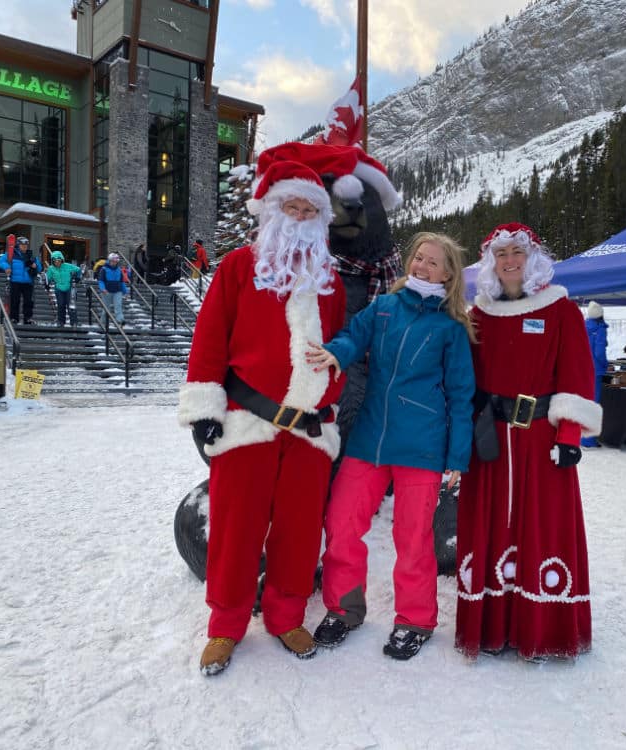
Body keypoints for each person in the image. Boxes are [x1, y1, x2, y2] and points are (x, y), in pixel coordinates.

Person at [177, 156, 346, 675]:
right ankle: (225, 626)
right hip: (245, 421)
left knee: (299, 530)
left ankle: (286, 616)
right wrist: (205, 409)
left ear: (319, 219)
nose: (298, 216)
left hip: (309, 430)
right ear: (271, 212)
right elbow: (208, 339)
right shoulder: (236, 267)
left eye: (308, 209)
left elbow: (343, 345)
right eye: (289, 206)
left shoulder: (330, 282)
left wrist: (333, 396)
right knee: (234, 530)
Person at [306, 232, 476, 661]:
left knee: (413, 537)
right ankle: (343, 608)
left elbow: (461, 395)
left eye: (433, 262)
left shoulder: (451, 328)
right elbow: (352, 336)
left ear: (449, 274)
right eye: (419, 257)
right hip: (370, 440)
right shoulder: (383, 308)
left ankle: (415, 619)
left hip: (422, 446)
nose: (422, 266)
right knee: (342, 522)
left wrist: (457, 457)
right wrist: (335, 354)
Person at [455, 223, 602, 663]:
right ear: (491, 262)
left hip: (541, 439)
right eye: (501, 254)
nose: (509, 261)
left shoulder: (561, 311)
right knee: (491, 526)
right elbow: (465, 379)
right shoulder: (477, 314)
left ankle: (542, 628)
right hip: (490, 442)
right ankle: (494, 625)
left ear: (532, 257)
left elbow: (577, 374)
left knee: (543, 527)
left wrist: (570, 434)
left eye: (517, 252)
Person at [581, 301, 609, 448]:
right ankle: (589, 440)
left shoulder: (582, 326)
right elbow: (599, 352)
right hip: (595, 371)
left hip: (583, 369)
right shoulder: (600, 329)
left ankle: (582, 438)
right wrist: (605, 365)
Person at [0, 236, 40, 325]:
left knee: (28, 302)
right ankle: (14, 318)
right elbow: (1, 261)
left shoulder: (31, 255)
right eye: (22, 245)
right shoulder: (12, 253)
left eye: (26, 245)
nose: (24, 246)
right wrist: (6, 267)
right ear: (18, 245)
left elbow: (39, 267)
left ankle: (28, 318)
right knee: (14, 300)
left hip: (28, 282)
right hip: (15, 281)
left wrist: (35, 266)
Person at [44, 251, 81, 327]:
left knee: (71, 305)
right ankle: (61, 321)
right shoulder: (51, 269)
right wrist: (47, 284)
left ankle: (74, 322)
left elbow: (78, 270)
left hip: (69, 288)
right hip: (59, 288)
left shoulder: (67, 266)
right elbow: (48, 278)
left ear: (62, 260)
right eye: (55, 261)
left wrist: (77, 277)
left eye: (59, 261)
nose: (57, 262)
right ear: (53, 261)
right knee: (60, 305)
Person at [96, 252, 129, 326]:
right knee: (106, 308)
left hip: (117, 290)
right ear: (109, 261)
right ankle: (102, 322)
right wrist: (103, 289)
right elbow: (101, 281)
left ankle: (120, 320)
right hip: (107, 291)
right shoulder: (104, 269)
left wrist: (125, 292)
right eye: (113, 261)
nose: (114, 263)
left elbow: (121, 282)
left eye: (115, 262)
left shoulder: (119, 270)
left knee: (118, 306)